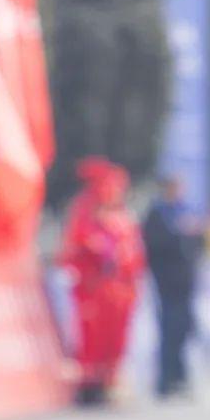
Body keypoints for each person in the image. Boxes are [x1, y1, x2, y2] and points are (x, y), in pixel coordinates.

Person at [58, 158, 145, 405]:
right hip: (95, 289)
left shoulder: (123, 217)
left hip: (121, 291)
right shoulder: (85, 211)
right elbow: (76, 249)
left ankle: (108, 382)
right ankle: (89, 386)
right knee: (91, 338)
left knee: (115, 339)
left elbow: (134, 255)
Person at [142, 176, 205, 397]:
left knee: (183, 329)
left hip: (185, 283)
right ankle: (165, 380)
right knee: (168, 329)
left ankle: (179, 376)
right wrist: (179, 232)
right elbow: (153, 245)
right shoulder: (157, 214)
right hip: (167, 283)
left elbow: (198, 245)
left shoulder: (186, 211)